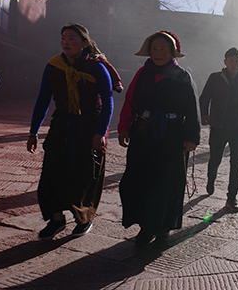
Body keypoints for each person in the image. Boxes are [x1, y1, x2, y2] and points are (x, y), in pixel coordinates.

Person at [27, 24, 115, 240]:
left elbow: (108, 102)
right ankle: (56, 219)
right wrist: (33, 132)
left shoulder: (97, 67)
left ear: (84, 43)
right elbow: (43, 100)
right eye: (63, 38)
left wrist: (101, 132)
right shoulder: (54, 66)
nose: (66, 42)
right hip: (61, 126)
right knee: (50, 173)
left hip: (89, 126)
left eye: (72, 38)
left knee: (84, 175)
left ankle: (84, 218)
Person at [118, 31, 200, 246]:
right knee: (139, 180)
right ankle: (146, 226)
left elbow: (192, 108)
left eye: (163, 49)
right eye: (154, 49)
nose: (158, 53)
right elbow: (130, 100)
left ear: (172, 52)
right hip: (143, 134)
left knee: (167, 183)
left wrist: (191, 137)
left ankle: (163, 227)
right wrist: (124, 126)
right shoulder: (142, 73)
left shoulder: (183, 76)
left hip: (171, 136)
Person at [199, 47, 238, 212]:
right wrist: (204, 115)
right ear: (225, 62)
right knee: (215, 159)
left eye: (237, 62)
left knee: (237, 164)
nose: (234, 64)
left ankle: (231, 198)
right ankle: (211, 179)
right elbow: (204, 98)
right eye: (231, 61)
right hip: (218, 126)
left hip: (237, 129)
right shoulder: (215, 78)